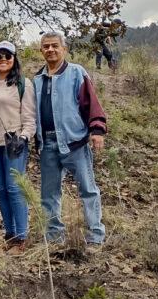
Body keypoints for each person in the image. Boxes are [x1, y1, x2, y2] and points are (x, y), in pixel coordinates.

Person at [34, 31, 107, 249]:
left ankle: (95, 235)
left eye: (55, 46)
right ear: (41, 51)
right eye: (46, 46)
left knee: (88, 189)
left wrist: (97, 130)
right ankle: (55, 237)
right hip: (47, 144)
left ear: (64, 49)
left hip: (74, 143)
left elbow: (90, 103)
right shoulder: (37, 80)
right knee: (49, 194)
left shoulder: (76, 73)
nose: (50, 50)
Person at [0, 41, 36, 253]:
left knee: (14, 188)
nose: (3, 60)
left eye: (7, 56)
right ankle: (10, 232)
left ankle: (22, 236)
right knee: (1, 189)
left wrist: (24, 138)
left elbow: (29, 117)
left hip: (13, 144)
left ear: (14, 59)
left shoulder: (22, 83)